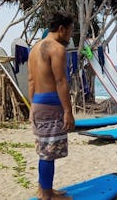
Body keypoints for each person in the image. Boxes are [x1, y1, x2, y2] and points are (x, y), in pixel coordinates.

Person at [28, 11, 75, 200]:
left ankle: (44, 188)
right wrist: (68, 111)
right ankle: (46, 194)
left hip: (38, 102)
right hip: (51, 105)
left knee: (45, 150)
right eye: (71, 31)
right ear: (61, 29)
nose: (71, 35)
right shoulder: (57, 49)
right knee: (48, 152)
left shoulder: (34, 48)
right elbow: (61, 82)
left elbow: (31, 80)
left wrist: (32, 106)